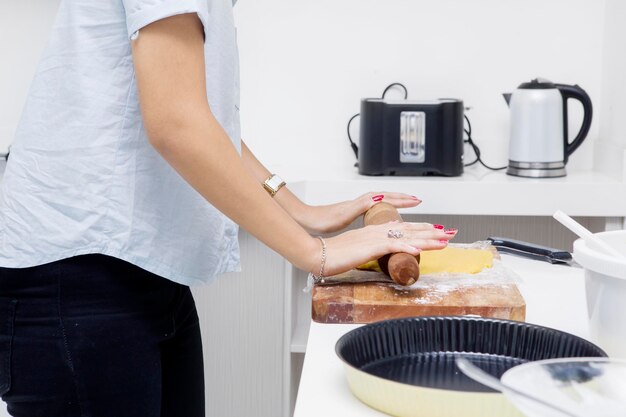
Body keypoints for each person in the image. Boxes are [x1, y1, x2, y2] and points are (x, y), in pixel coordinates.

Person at [0, 1, 457, 416]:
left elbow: (200, 119)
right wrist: (314, 251)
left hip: (142, 269)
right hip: (78, 274)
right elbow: (177, 125)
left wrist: (300, 210)